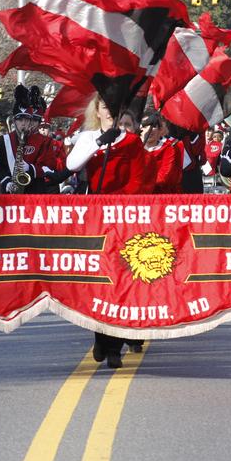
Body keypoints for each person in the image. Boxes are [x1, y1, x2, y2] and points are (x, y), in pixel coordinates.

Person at [66, 94, 149, 368]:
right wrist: (98, 144)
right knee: (98, 282)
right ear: (97, 112)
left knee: (120, 283)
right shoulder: (88, 138)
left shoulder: (133, 142)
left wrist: (120, 208)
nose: (109, 112)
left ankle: (114, 345)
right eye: (104, 107)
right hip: (96, 220)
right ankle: (100, 337)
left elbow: (140, 181)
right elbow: (71, 165)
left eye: (114, 107)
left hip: (124, 218)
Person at [0, 86, 66, 195]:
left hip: (36, 193)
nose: (23, 123)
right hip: (11, 193)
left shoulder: (44, 141)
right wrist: (6, 182)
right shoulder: (5, 140)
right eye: (20, 119)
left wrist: (31, 169)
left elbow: (50, 168)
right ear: (14, 121)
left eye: (26, 120)